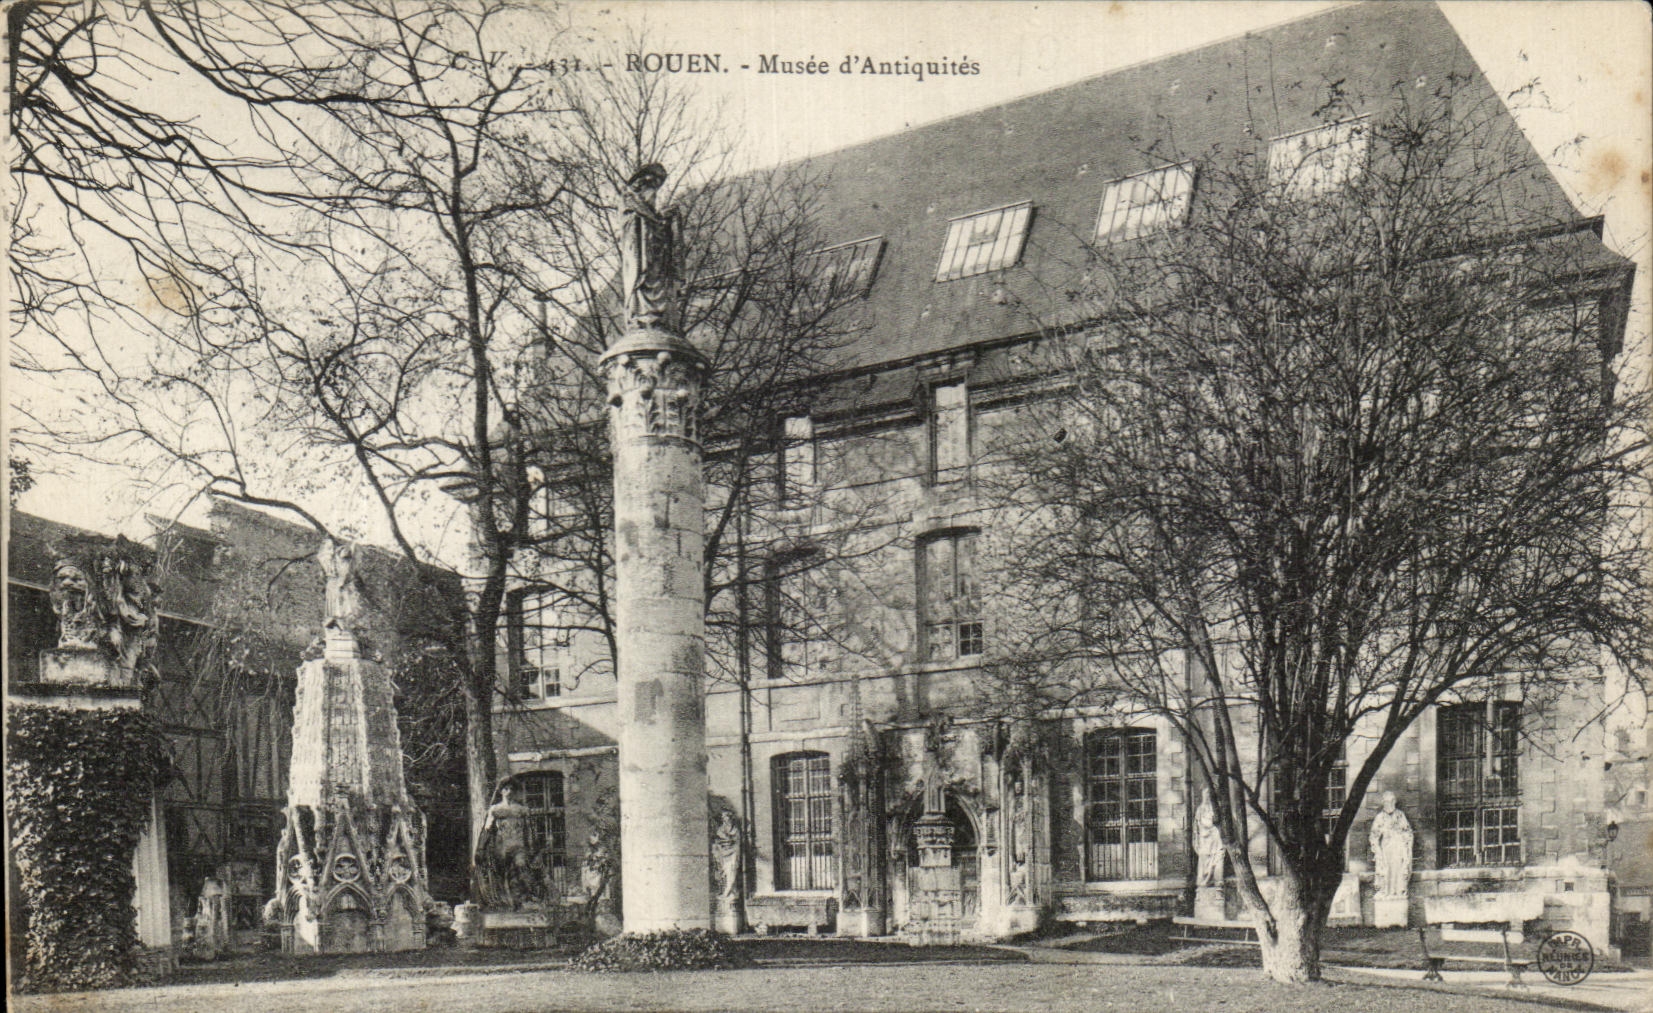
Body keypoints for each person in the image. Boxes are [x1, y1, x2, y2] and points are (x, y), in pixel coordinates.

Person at [1369, 791, 1414, 899]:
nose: (1389, 804)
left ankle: (1398, 891)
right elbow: (1374, 835)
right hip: (1386, 847)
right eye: (1387, 802)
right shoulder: (1380, 817)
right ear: (1383, 803)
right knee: (1386, 869)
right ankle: (1385, 891)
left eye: (1391, 801)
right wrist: (1377, 850)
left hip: (1399, 847)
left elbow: (1407, 832)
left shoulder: (1400, 815)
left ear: (1394, 802)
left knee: (1399, 869)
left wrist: (1407, 846)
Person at [1194, 794, 1223, 886]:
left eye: (1209, 796)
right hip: (1204, 838)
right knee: (1205, 857)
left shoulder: (1217, 808)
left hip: (1215, 836)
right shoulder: (1200, 809)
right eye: (1206, 796)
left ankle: (1216, 878)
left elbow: (1218, 822)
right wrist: (1196, 838)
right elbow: (1197, 825)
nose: (1207, 798)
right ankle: (1205, 878)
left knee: (1216, 857)